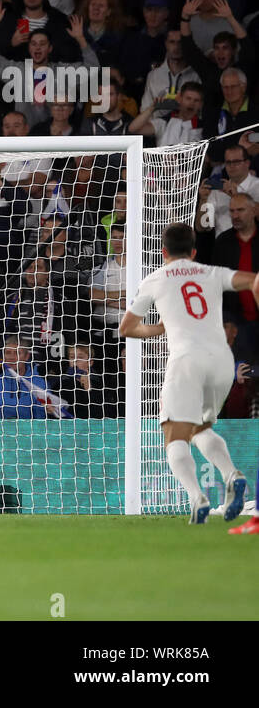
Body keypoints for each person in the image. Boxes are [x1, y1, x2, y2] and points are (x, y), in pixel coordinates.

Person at [119, 222, 250, 524]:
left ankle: (196, 497)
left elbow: (127, 327)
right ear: (193, 252)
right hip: (221, 361)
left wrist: (158, 329)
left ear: (162, 251)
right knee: (199, 428)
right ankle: (232, 475)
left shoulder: (155, 278)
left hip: (186, 360)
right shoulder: (211, 272)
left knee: (174, 433)